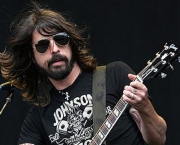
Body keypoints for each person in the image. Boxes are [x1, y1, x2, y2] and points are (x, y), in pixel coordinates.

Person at [0, 1, 166, 145]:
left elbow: (159, 139)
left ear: (71, 42)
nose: (55, 49)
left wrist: (144, 107)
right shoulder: (37, 117)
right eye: (43, 45)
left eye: (60, 39)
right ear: (32, 56)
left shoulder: (114, 75)